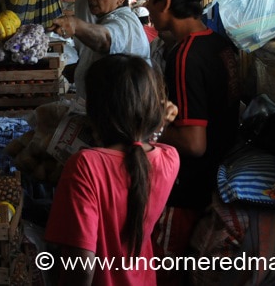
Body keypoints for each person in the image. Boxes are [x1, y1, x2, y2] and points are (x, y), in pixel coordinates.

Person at [135, 0, 241, 286]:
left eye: (150, 1)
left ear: (165, 2)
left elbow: (195, 143)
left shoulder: (185, 56)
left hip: (188, 192)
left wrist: (146, 124)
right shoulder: (221, 44)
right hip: (218, 178)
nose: (149, 11)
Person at [46, 54, 180, 286]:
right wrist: (157, 121)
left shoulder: (85, 166)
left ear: (95, 110)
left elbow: (81, 269)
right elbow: (145, 144)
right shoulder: (169, 159)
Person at [49, 0, 150, 100]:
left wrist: (75, 25)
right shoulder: (107, 19)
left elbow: (107, 40)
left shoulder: (124, 22)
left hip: (121, 113)